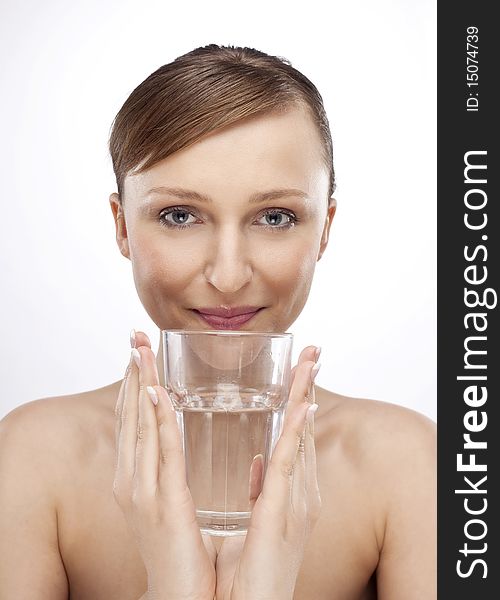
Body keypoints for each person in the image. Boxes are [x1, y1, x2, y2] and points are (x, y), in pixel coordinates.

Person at [0, 44, 436, 599]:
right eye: (180, 215)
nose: (228, 275)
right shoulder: (32, 460)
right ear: (123, 226)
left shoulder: (407, 467)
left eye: (275, 217)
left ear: (324, 228)